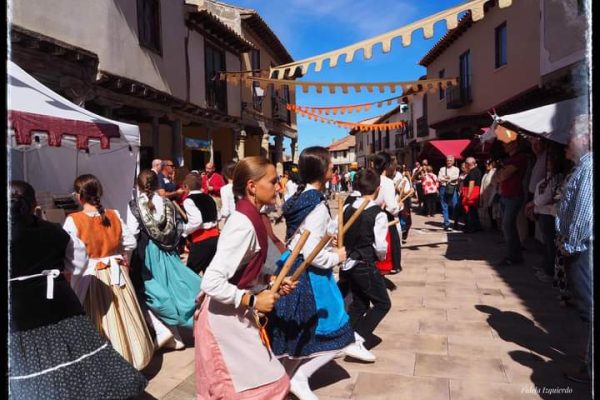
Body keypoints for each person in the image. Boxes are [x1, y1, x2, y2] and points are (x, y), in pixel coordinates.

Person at [9, 181, 147, 400]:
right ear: (34, 203)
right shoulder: (62, 228)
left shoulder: (74, 220)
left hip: (26, 310)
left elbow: (81, 262)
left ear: (79, 195)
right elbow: (82, 259)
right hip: (87, 289)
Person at [269, 147, 369, 400]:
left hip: (290, 265)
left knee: (301, 333)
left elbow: (306, 236)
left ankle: (286, 379)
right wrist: (338, 256)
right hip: (309, 275)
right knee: (339, 333)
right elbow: (312, 252)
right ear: (322, 170)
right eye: (330, 165)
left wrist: (331, 230)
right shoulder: (316, 205)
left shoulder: (301, 197)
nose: (333, 169)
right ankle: (300, 378)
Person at [194, 156, 295, 399]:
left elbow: (244, 270)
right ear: (252, 186)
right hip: (221, 319)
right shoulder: (243, 223)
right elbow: (211, 281)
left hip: (232, 314)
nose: (279, 187)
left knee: (271, 386)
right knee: (261, 388)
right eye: (273, 182)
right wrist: (253, 301)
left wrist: (271, 283)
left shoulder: (253, 217)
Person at [63, 174, 154, 370]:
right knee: (125, 314)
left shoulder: (73, 220)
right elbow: (130, 242)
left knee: (98, 318)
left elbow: (71, 255)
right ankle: (133, 356)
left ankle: (105, 365)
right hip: (117, 273)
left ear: (79, 196)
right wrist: (119, 256)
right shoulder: (113, 214)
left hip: (92, 275)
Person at [127, 170, 202, 350]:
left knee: (153, 292)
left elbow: (133, 232)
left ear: (138, 186)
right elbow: (180, 225)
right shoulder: (168, 203)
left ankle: (171, 334)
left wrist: (128, 259)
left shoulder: (135, 205)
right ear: (157, 184)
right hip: (169, 252)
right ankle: (181, 330)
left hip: (147, 254)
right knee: (175, 287)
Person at [555, 115, 592, 383]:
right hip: (579, 248)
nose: (568, 142)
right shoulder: (583, 167)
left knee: (589, 309)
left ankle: (590, 367)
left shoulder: (589, 168)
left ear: (584, 138)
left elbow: (583, 213)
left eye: (571, 136)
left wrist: (569, 245)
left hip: (582, 250)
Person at [340, 169, 391, 349]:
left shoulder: (346, 207)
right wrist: (380, 258)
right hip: (364, 264)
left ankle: (343, 338)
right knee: (383, 303)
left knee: (360, 304)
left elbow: (336, 231)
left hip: (348, 263)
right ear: (377, 189)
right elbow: (380, 246)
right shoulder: (378, 214)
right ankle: (357, 337)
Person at [524, 144, 566, 283]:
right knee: (546, 242)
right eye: (547, 162)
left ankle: (550, 271)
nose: (548, 164)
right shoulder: (547, 178)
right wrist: (534, 207)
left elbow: (547, 197)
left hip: (549, 214)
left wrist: (533, 203)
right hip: (542, 213)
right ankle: (547, 267)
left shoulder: (557, 178)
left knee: (550, 244)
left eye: (550, 162)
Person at [496, 139, 529, 266]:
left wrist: (501, 174)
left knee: (508, 226)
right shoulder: (508, 159)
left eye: (507, 143)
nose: (504, 145)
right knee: (509, 227)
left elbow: (502, 176)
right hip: (506, 196)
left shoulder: (519, 157)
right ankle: (514, 255)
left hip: (513, 196)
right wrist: (500, 174)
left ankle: (513, 256)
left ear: (515, 144)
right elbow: (498, 178)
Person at [181, 173, 220, 274]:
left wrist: (184, 230)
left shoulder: (189, 200)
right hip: (215, 238)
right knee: (209, 272)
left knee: (191, 272)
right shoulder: (209, 198)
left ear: (186, 186)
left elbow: (196, 221)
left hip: (201, 240)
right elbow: (217, 216)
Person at [374, 151, 402, 275]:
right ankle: (391, 266)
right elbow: (392, 207)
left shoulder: (370, 178)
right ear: (387, 165)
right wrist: (399, 206)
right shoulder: (387, 182)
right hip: (385, 217)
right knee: (391, 242)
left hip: (370, 214)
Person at [437, 155, 460, 231]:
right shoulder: (442, 169)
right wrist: (449, 178)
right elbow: (439, 178)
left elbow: (456, 177)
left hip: (452, 188)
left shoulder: (456, 169)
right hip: (443, 188)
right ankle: (446, 223)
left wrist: (446, 178)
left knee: (455, 205)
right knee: (444, 206)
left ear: (453, 161)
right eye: (447, 160)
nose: (449, 162)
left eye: (450, 160)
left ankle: (456, 222)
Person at [462, 157, 482, 233]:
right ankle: (477, 226)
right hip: (474, 191)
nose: (465, 165)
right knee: (473, 211)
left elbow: (471, 183)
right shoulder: (477, 170)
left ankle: (471, 228)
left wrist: (468, 195)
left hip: (472, 192)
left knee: (470, 211)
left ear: (468, 164)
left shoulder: (473, 171)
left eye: (466, 163)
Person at [479, 160, 499, 230]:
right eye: (486, 164)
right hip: (486, 194)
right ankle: (492, 225)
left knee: (494, 210)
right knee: (489, 210)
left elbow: (496, 184)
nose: (486, 165)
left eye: (488, 164)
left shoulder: (495, 172)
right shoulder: (485, 173)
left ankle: (496, 226)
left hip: (493, 194)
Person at [397, 167, 414, 242]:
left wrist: (410, 178)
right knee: (405, 220)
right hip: (401, 201)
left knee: (406, 221)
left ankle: (402, 234)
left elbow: (409, 191)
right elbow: (404, 192)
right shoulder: (401, 179)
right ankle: (402, 234)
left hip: (404, 201)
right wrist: (408, 192)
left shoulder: (405, 179)